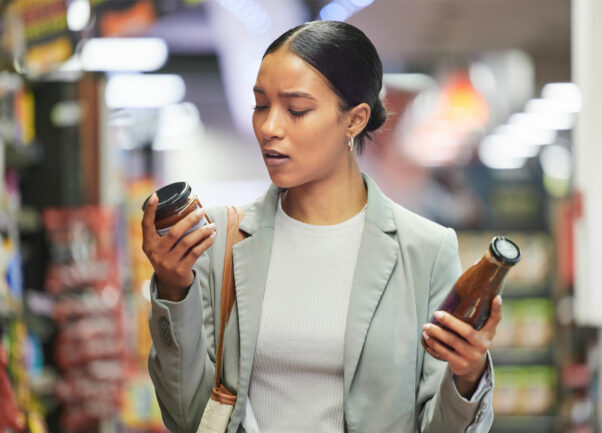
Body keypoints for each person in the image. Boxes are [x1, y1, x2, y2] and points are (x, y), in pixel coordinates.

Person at [142, 20, 500, 433]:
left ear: (355, 120)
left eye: (297, 110)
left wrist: (469, 373)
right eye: (261, 105)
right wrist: (173, 290)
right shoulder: (221, 238)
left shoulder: (424, 251)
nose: (269, 127)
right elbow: (187, 417)